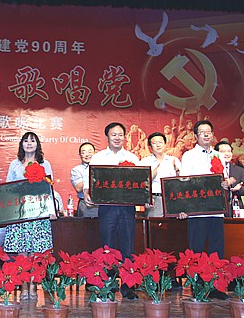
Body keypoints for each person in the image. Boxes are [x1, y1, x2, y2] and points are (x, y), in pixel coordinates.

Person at [84, 122, 139, 300]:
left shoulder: (132, 158)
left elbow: (140, 182)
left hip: (127, 208)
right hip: (107, 208)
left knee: (128, 246)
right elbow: (89, 181)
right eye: (113, 134)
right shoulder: (98, 157)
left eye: (120, 134)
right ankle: (109, 285)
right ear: (107, 137)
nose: (117, 137)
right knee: (108, 247)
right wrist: (87, 192)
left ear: (124, 137)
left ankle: (128, 287)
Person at [179, 120, 229, 299]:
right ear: (195, 136)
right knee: (197, 249)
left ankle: (216, 286)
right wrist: (185, 207)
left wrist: (226, 183)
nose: (206, 135)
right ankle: (198, 286)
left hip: (216, 209)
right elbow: (184, 182)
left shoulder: (219, 155)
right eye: (202, 132)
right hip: (197, 210)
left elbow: (223, 178)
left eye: (209, 131)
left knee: (217, 248)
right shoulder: (189, 156)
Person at [4, 131, 54, 301]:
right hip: (20, 214)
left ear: (37, 144)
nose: (29, 143)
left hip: (38, 214)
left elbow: (49, 188)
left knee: (36, 253)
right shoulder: (15, 165)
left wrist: (51, 210)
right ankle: (23, 287)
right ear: (21, 144)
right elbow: (8, 187)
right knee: (22, 253)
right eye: (26, 141)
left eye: (32, 141)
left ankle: (33, 286)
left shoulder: (45, 164)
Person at [140, 132, 181, 218]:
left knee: (173, 225)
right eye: (155, 143)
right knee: (155, 225)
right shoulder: (145, 162)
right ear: (150, 147)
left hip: (172, 199)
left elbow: (181, 181)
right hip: (155, 199)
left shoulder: (173, 160)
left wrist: (177, 171)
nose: (158, 145)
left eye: (160, 142)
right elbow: (142, 184)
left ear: (165, 144)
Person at [214, 140, 244, 217]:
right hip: (218, 208)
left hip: (235, 207)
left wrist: (239, 189)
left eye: (229, 151)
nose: (227, 154)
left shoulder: (239, 170)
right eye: (223, 151)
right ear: (216, 153)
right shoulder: (211, 169)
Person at [70, 142, 98, 217]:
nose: (87, 154)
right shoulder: (76, 170)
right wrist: (91, 173)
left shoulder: (101, 168)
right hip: (85, 205)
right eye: (83, 152)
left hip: (101, 203)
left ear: (95, 153)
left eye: (90, 152)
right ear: (80, 155)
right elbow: (78, 188)